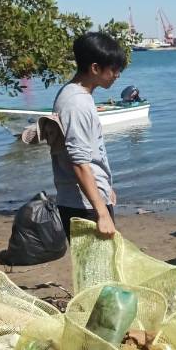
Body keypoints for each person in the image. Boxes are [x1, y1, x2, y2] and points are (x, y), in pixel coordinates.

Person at [51, 32, 126, 240]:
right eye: (113, 69)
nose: (117, 75)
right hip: (83, 206)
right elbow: (79, 163)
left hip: (85, 200)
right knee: (98, 272)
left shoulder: (73, 93)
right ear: (95, 68)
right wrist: (101, 211)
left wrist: (105, 189)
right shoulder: (77, 104)